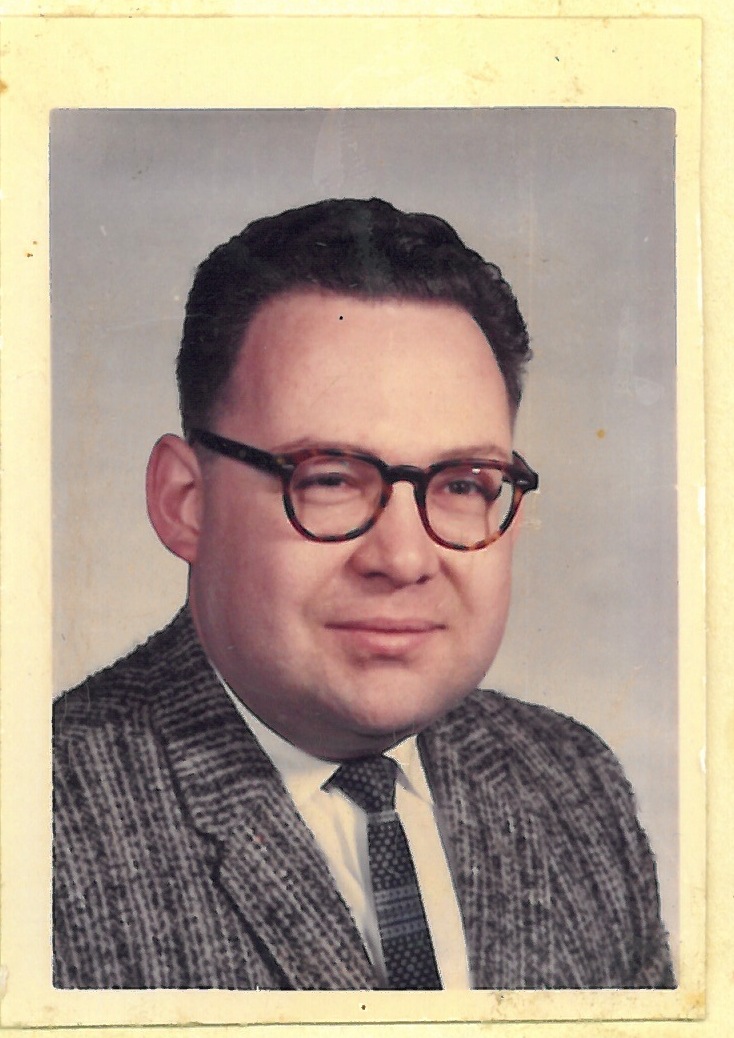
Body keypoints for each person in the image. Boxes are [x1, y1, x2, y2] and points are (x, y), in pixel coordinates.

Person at [52, 197, 674, 991]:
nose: (405, 558)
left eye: (462, 483)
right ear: (185, 504)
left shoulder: (572, 783)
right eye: (331, 479)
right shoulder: (38, 827)